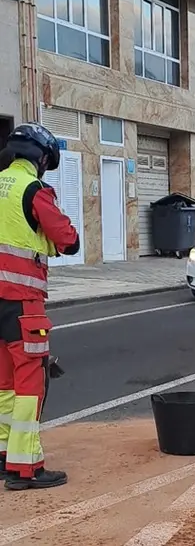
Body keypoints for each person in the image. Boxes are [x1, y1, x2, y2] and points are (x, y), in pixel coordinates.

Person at [0, 122, 80, 490]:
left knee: (3, 385)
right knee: (30, 383)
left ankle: (4, 456)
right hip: (21, 302)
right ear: (42, 158)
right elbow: (68, 240)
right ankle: (25, 468)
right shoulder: (34, 190)